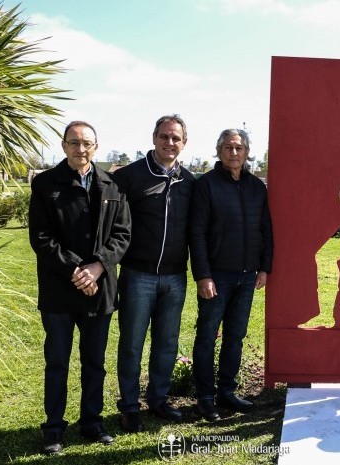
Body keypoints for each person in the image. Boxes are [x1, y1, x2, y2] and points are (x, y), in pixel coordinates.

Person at [29, 121, 131, 454]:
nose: (81, 148)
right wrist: (77, 269)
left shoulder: (112, 185)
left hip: (98, 291)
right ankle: (54, 429)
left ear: (96, 147)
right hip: (60, 290)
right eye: (74, 142)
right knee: (57, 361)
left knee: (94, 362)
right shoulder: (46, 184)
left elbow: (122, 235)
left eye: (87, 143)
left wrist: (98, 265)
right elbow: (41, 238)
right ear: (63, 146)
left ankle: (92, 423)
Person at [113, 115, 195, 432]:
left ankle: (159, 400)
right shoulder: (130, 177)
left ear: (184, 143)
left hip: (175, 278)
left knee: (167, 343)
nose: (169, 143)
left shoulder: (190, 182)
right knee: (132, 343)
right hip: (138, 275)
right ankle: (130, 406)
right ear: (154, 138)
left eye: (176, 138)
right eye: (164, 136)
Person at [190, 128, 273, 421]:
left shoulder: (256, 187)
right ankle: (204, 397)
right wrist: (203, 275)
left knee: (235, 337)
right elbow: (196, 233)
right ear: (219, 151)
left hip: (247, 275)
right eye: (227, 147)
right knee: (207, 336)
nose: (233, 152)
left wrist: (264, 267)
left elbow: (265, 229)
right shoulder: (206, 185)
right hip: (217, 276)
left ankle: (227, 391)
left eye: (238, 147)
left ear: (247, 151)